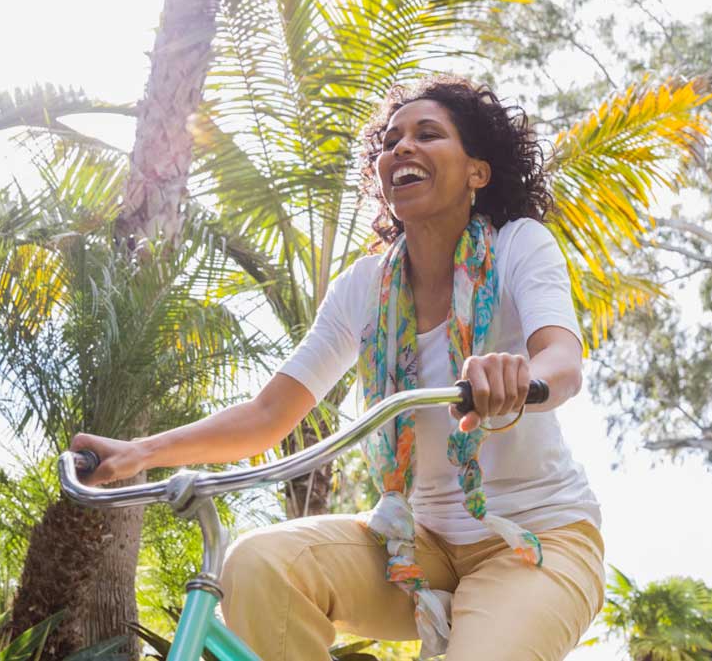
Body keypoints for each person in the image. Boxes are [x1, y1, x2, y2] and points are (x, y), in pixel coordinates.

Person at [68, 74, 603, 661]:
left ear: (478, 171)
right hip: (414, 544)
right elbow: (269, 415)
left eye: (428, 134)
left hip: (536, 540)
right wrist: (140, 453)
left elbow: (561, 360)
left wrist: (519, 376)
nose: (402, 148)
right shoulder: (365, 288)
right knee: (259, 565)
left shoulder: (518, 246)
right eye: (391, 140)